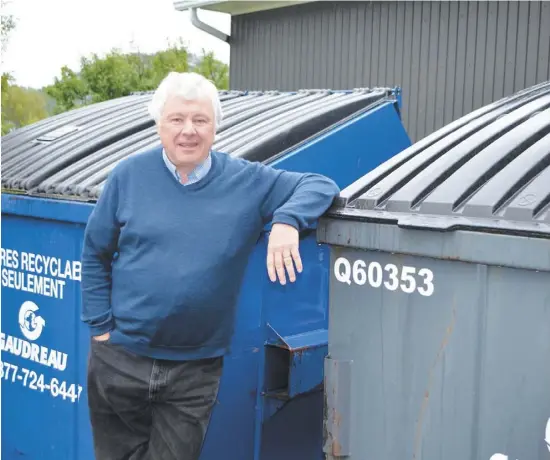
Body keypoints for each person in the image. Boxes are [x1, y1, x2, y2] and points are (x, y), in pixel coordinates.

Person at [81, 71, 340, 460]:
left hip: (193, 371)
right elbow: (95, 253)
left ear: (216, 127)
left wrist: (287, 220)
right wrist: (101, 328)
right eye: (177, 119)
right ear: (159, 124)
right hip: (121, 361)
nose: (189, 131)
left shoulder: (247, 181)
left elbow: (320, 185)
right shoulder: (128, 176)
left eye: (200, 120)